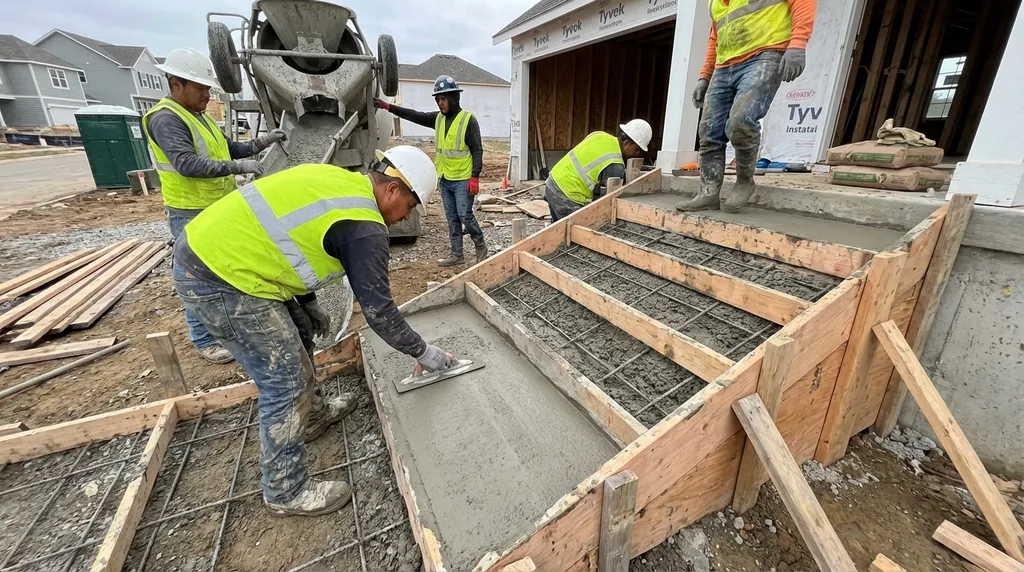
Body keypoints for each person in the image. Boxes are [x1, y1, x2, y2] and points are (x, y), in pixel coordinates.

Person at [173, 146, 459, 517]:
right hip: (220, 277)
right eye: (410, 206)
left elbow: (286, 237)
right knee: (286, 380)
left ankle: (312, 417)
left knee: (301, 331)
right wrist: (424, 352)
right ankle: (285, 490)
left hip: (224, 256)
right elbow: (379, 311)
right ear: (392, 190)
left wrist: (306, 304)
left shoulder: (344, 182)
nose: (405, 218)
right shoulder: (364, 225)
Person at [145, 47, 287, 364]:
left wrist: (262, 143)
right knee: (196, 275)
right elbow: (186, 164)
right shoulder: (166, 119)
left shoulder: (198, 117)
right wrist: (239, 169)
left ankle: (226, 327)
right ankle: (204, 339)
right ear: (176, 83)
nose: (207, 94)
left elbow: (227, 148)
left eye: (208, 88)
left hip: (215, 205)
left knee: (225, 268)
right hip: (191, 210)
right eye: (200, 88)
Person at [677, 0, 816, 213]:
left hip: (764, 54)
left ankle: (744, 181)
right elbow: (715, 37)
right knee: (709, 130)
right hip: (724, 66)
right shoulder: (714, 3)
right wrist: (705, 76)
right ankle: (708, 193)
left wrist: (797, 44)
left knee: (741, 121)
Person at [374, 76, 488, 267]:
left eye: (443, 99)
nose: (440, 103)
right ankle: (457, 255)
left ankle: (481, 247)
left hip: (462, 179)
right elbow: (414, 115)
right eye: (438, 100)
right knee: (452, 218)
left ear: (453, 98)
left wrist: (475, 176)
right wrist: (387, 107)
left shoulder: (468, 120)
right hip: (445, 179)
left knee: (465, 216)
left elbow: (477, 150)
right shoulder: (438, 119)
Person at [545, 119, 652, 222]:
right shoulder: (615, 163)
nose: (637, 154)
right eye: (636, 149)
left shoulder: (600, 135)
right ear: (627, 143)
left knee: (556, 231)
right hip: (568, 195)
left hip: (553, 182)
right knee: (574, 235)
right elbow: (606, 200)